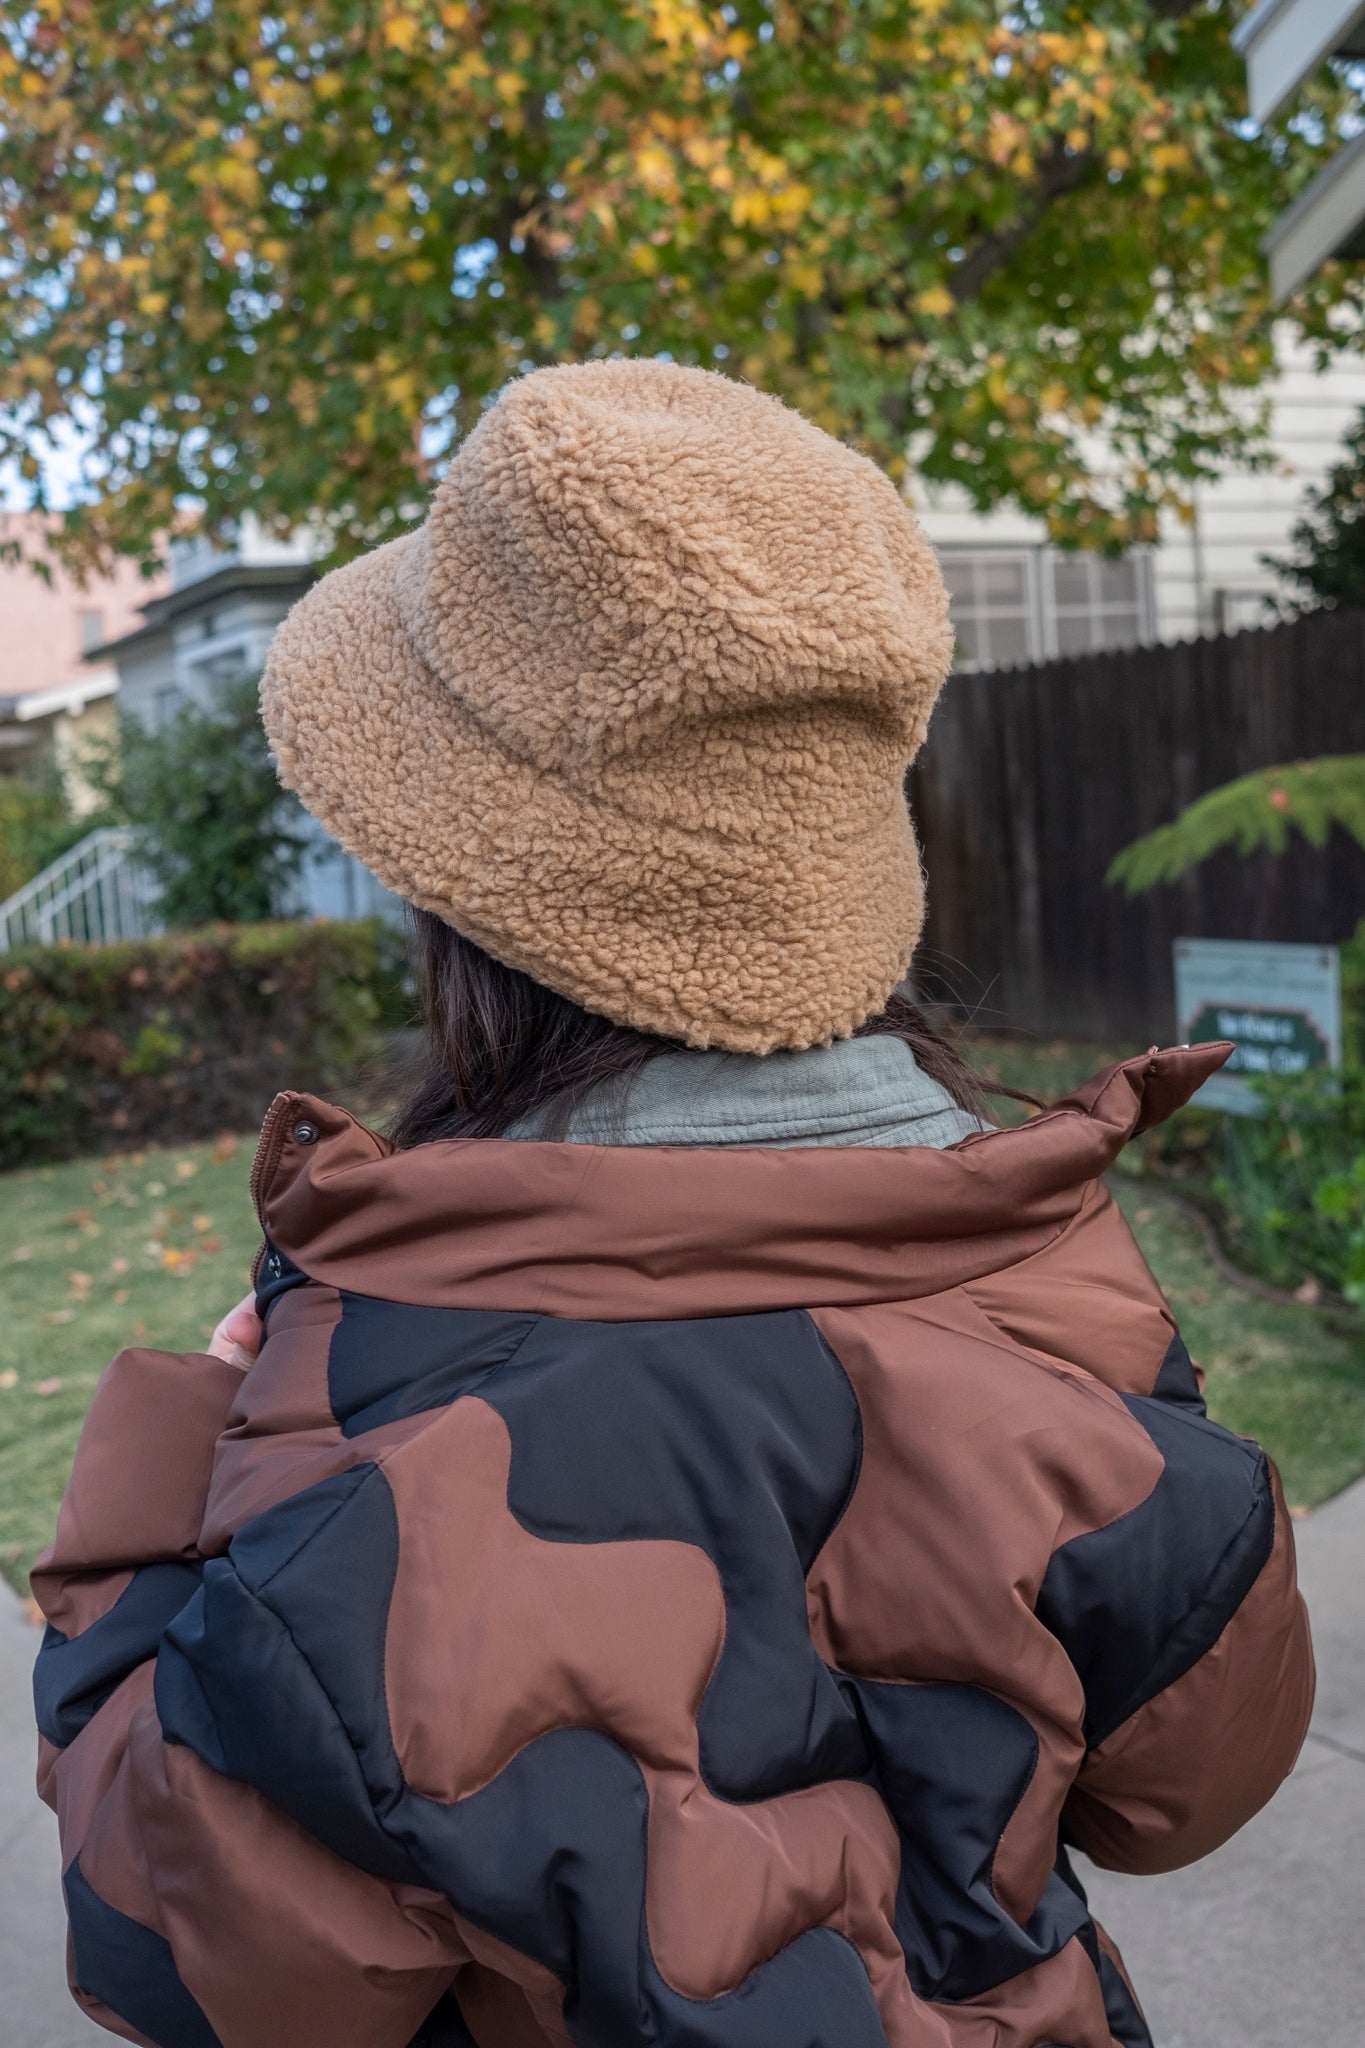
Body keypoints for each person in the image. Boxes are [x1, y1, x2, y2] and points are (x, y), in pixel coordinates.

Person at [32, 361, 1313, 2048]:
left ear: (461, 910)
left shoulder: (379, 1428)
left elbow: (175, 1940)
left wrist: (186, 1447)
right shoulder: (1051, 1288)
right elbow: (1184, 1782)